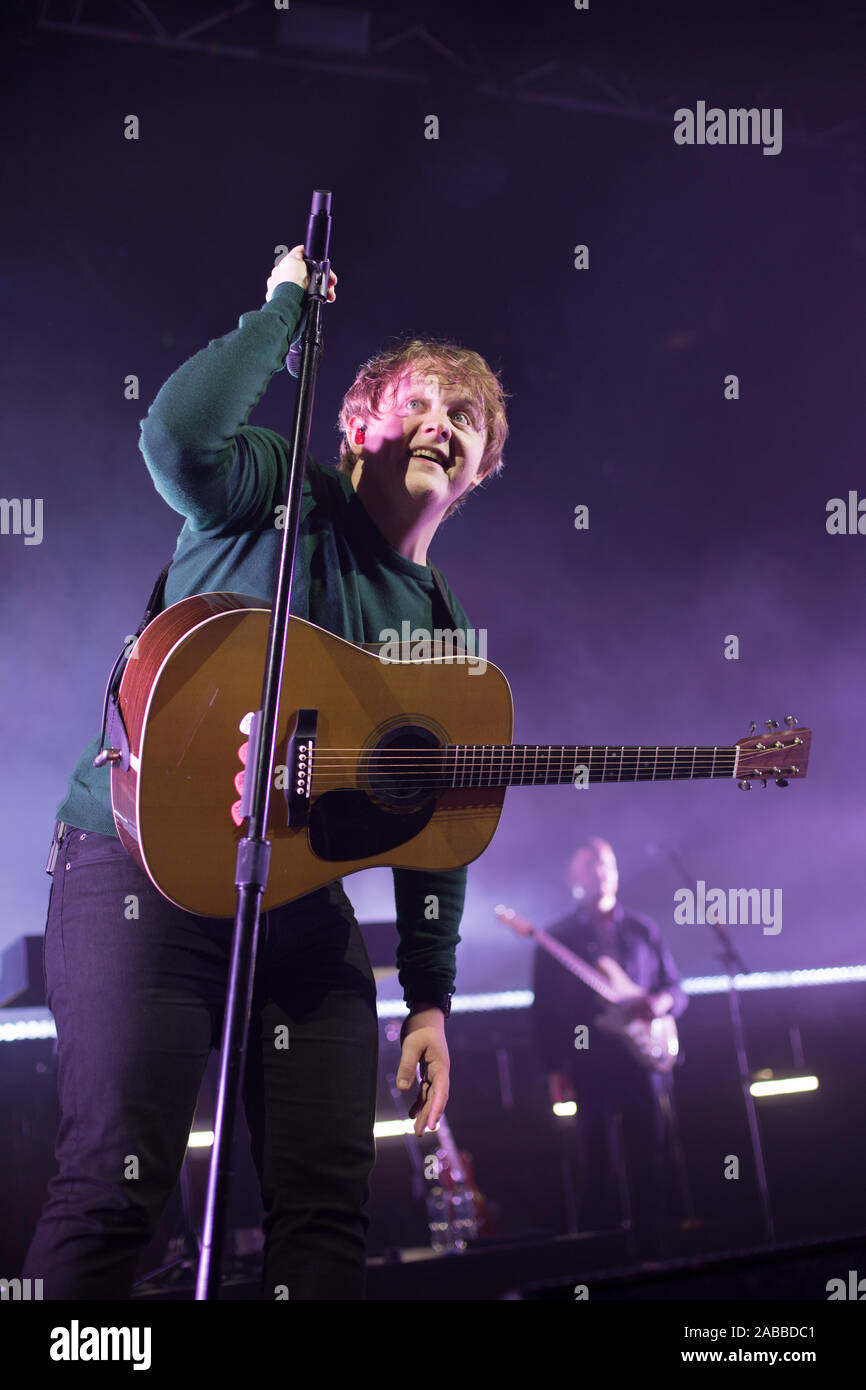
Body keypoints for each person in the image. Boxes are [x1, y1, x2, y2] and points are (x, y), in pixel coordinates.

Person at [23, 244, 509, 1300]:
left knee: (328, 1206)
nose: (441, 421)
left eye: (464, 418)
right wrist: (283, 309)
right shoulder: (271, 486)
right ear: (356, 425)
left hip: (294, 900)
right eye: (417, 400)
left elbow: (435, 822)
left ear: (479, 472)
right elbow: (176, 436)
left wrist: (429, 997)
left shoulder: (440, 627)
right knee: (115, 1184)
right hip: (135, 871)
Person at [531, 837, 688, 1261]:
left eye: (606, 864)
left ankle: (657, 1257)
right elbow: (542, 1011)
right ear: (573, 878)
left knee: (650, 1158)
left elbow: (676, 987)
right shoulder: (558, 939)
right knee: (596, 1160)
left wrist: (659, 1003)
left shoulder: (642, 928)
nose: (600, 873)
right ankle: (600, 1261)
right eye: (590, 866)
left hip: (643, 1062)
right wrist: (554, 1067)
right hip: (590, 1063)